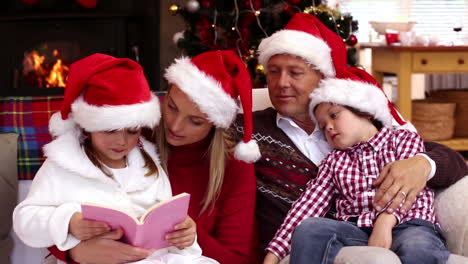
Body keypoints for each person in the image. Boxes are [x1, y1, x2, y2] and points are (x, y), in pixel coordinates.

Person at [232, 12, 468, 259]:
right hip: (335, 237)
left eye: (295, 72)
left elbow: (449, 160)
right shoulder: (248, 130)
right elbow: (305, 209)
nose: (281, 83)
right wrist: (272, 254)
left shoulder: (362, 124)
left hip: (403, 226)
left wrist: (423, 164)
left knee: (416, 245)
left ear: (322, 77)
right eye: (273, 71)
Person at [46, 50, 261, 264]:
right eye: (171, 107)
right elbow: (49, 202)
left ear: (215, 122)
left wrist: (188, 233)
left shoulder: (234, 166)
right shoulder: (133, 134)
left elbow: (236, 260)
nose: (175, 126)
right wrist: (75, 252)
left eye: (195, 121)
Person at [13, 53, 218, 264]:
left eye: (132, 131)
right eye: (110, 130)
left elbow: (168, 218)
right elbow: (25, 220)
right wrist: (68, 222)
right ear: (88, 125)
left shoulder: (148, 163)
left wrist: (184, 234)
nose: (121, 141)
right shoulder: (62, 165)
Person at [263, 77, 450, 264]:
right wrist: (274, 254)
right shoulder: (334, 161)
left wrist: (385, 222)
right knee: (309, 228)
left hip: (410, 224)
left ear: (366, 112)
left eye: (334, 115)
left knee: (419, 247)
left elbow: (406, 187)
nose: (328, 126)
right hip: (357, 229)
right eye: (322, 126)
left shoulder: (403, 139)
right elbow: (308, 206)